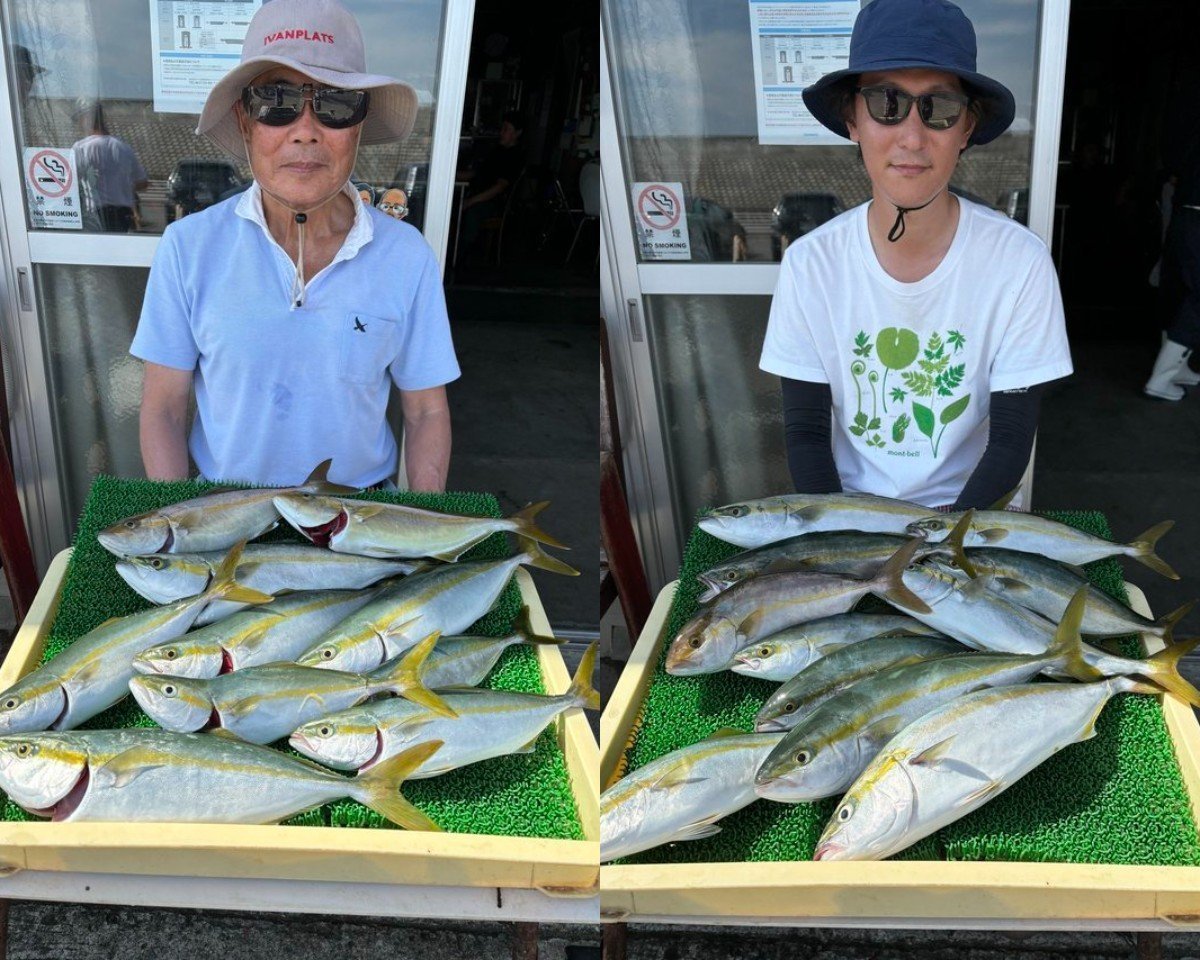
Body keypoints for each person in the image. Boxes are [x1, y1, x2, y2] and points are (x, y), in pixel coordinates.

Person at [131, 0, 459, 491]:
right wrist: (183, 524)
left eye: (335, 104)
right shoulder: (188, 247)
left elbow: (427, 409)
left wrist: (420, 524)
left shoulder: (406, 255)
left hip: (360, 517)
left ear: (358, 127)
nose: (305, 132)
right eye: (276, 102)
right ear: (245, 123)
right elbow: (163, 407)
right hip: (228, 512)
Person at [759, 0, 1072, 510]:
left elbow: (1011, 440)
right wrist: (848, 536)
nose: (911, 137)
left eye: (940, 109)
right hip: (856, 507)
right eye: (887, 103)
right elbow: (807, 434)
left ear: (967, 128)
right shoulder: (810, 263)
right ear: (852, 120)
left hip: (972, 515)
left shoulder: (1019, 261)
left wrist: (940, 545)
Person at [1143, 71, 1200, 401]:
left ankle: (1178, 366)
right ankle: (1161, 378)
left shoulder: (1186, 100)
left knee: (1179, 288)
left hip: (1185, 205)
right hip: (1196, 209)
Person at [71, 100, 148, 233]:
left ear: (86, 118)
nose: (79, 124)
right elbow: (143, 183)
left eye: (79, 119)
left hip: (95, 214)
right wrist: (122, 185)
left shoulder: (80, 148)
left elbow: (70, 183)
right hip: (122, 214)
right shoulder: (123, 147)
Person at [458, 111, 525, 254]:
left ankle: (464, 254)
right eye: (502, 128)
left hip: (492, 203)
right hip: (476, 195)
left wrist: (471, 201)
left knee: (471, 213)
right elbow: (476, 173)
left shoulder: (515, 158)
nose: (502, 133)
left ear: (517, 133)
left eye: (506, 129)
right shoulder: (497, 151)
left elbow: (499, 187)